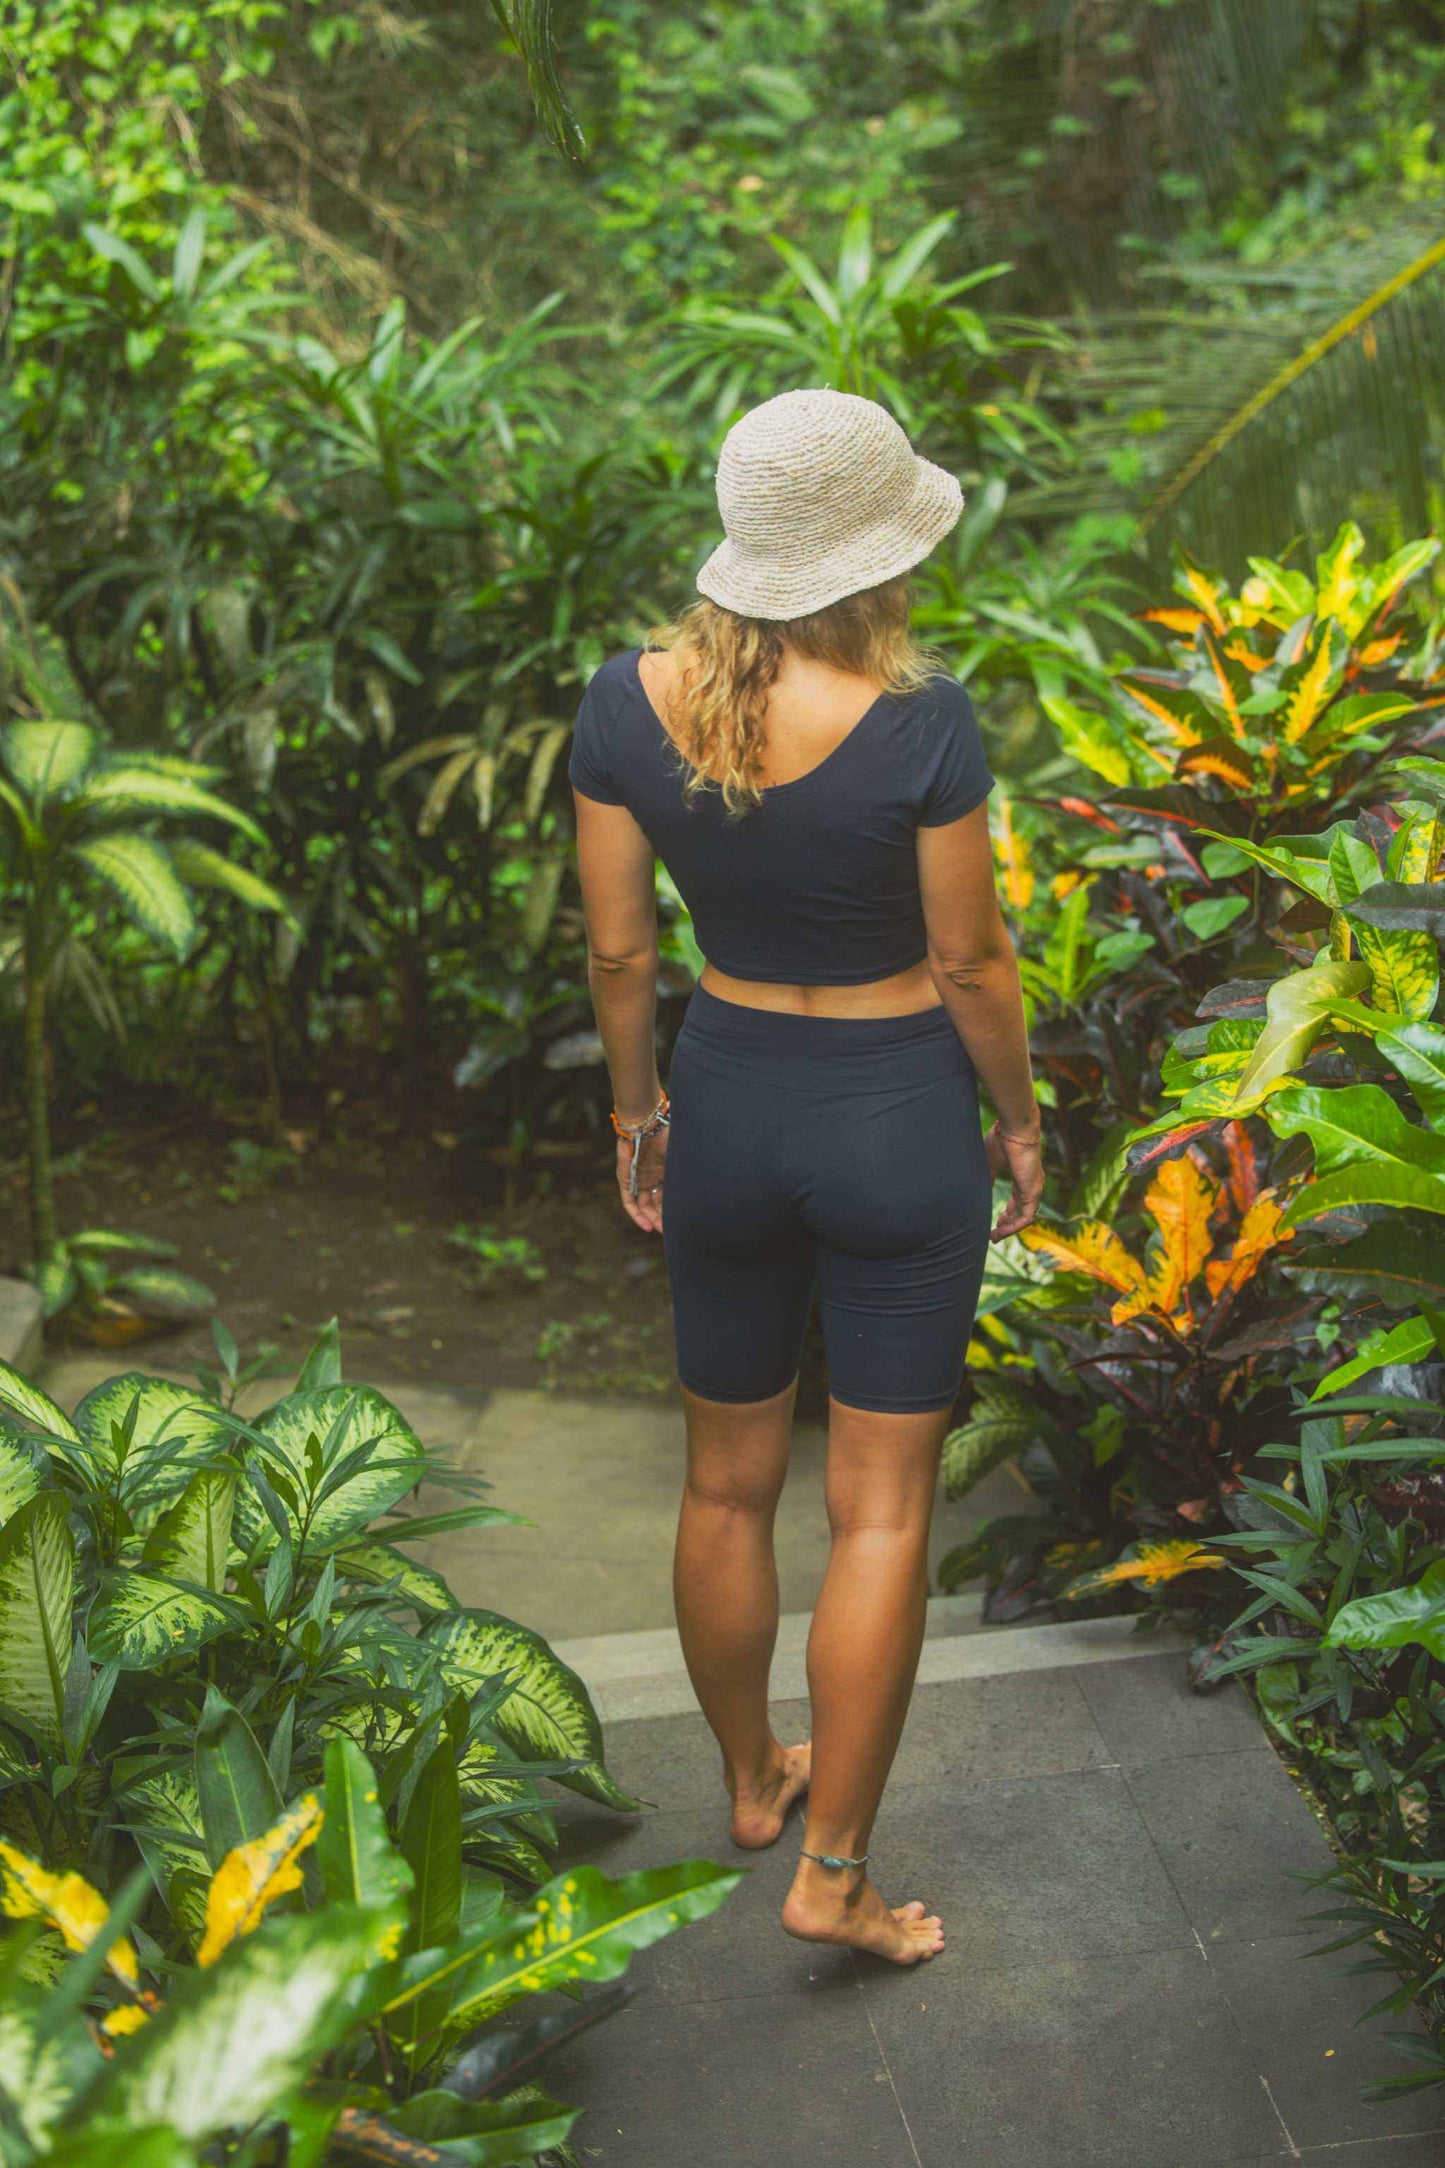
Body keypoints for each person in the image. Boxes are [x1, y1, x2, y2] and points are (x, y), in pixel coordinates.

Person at [569, 388, 1043, 1966]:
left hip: (728, 1103)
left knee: (722, 1481)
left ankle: (751, 1781)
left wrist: (639, 1113)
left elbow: (620, 947)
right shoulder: (921, 724)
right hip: (896, 1114)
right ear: (871, 559)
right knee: (878, 1510)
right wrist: (1022, 1121)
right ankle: (833, 1871)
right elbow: (971, 962)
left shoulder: (623, 708)